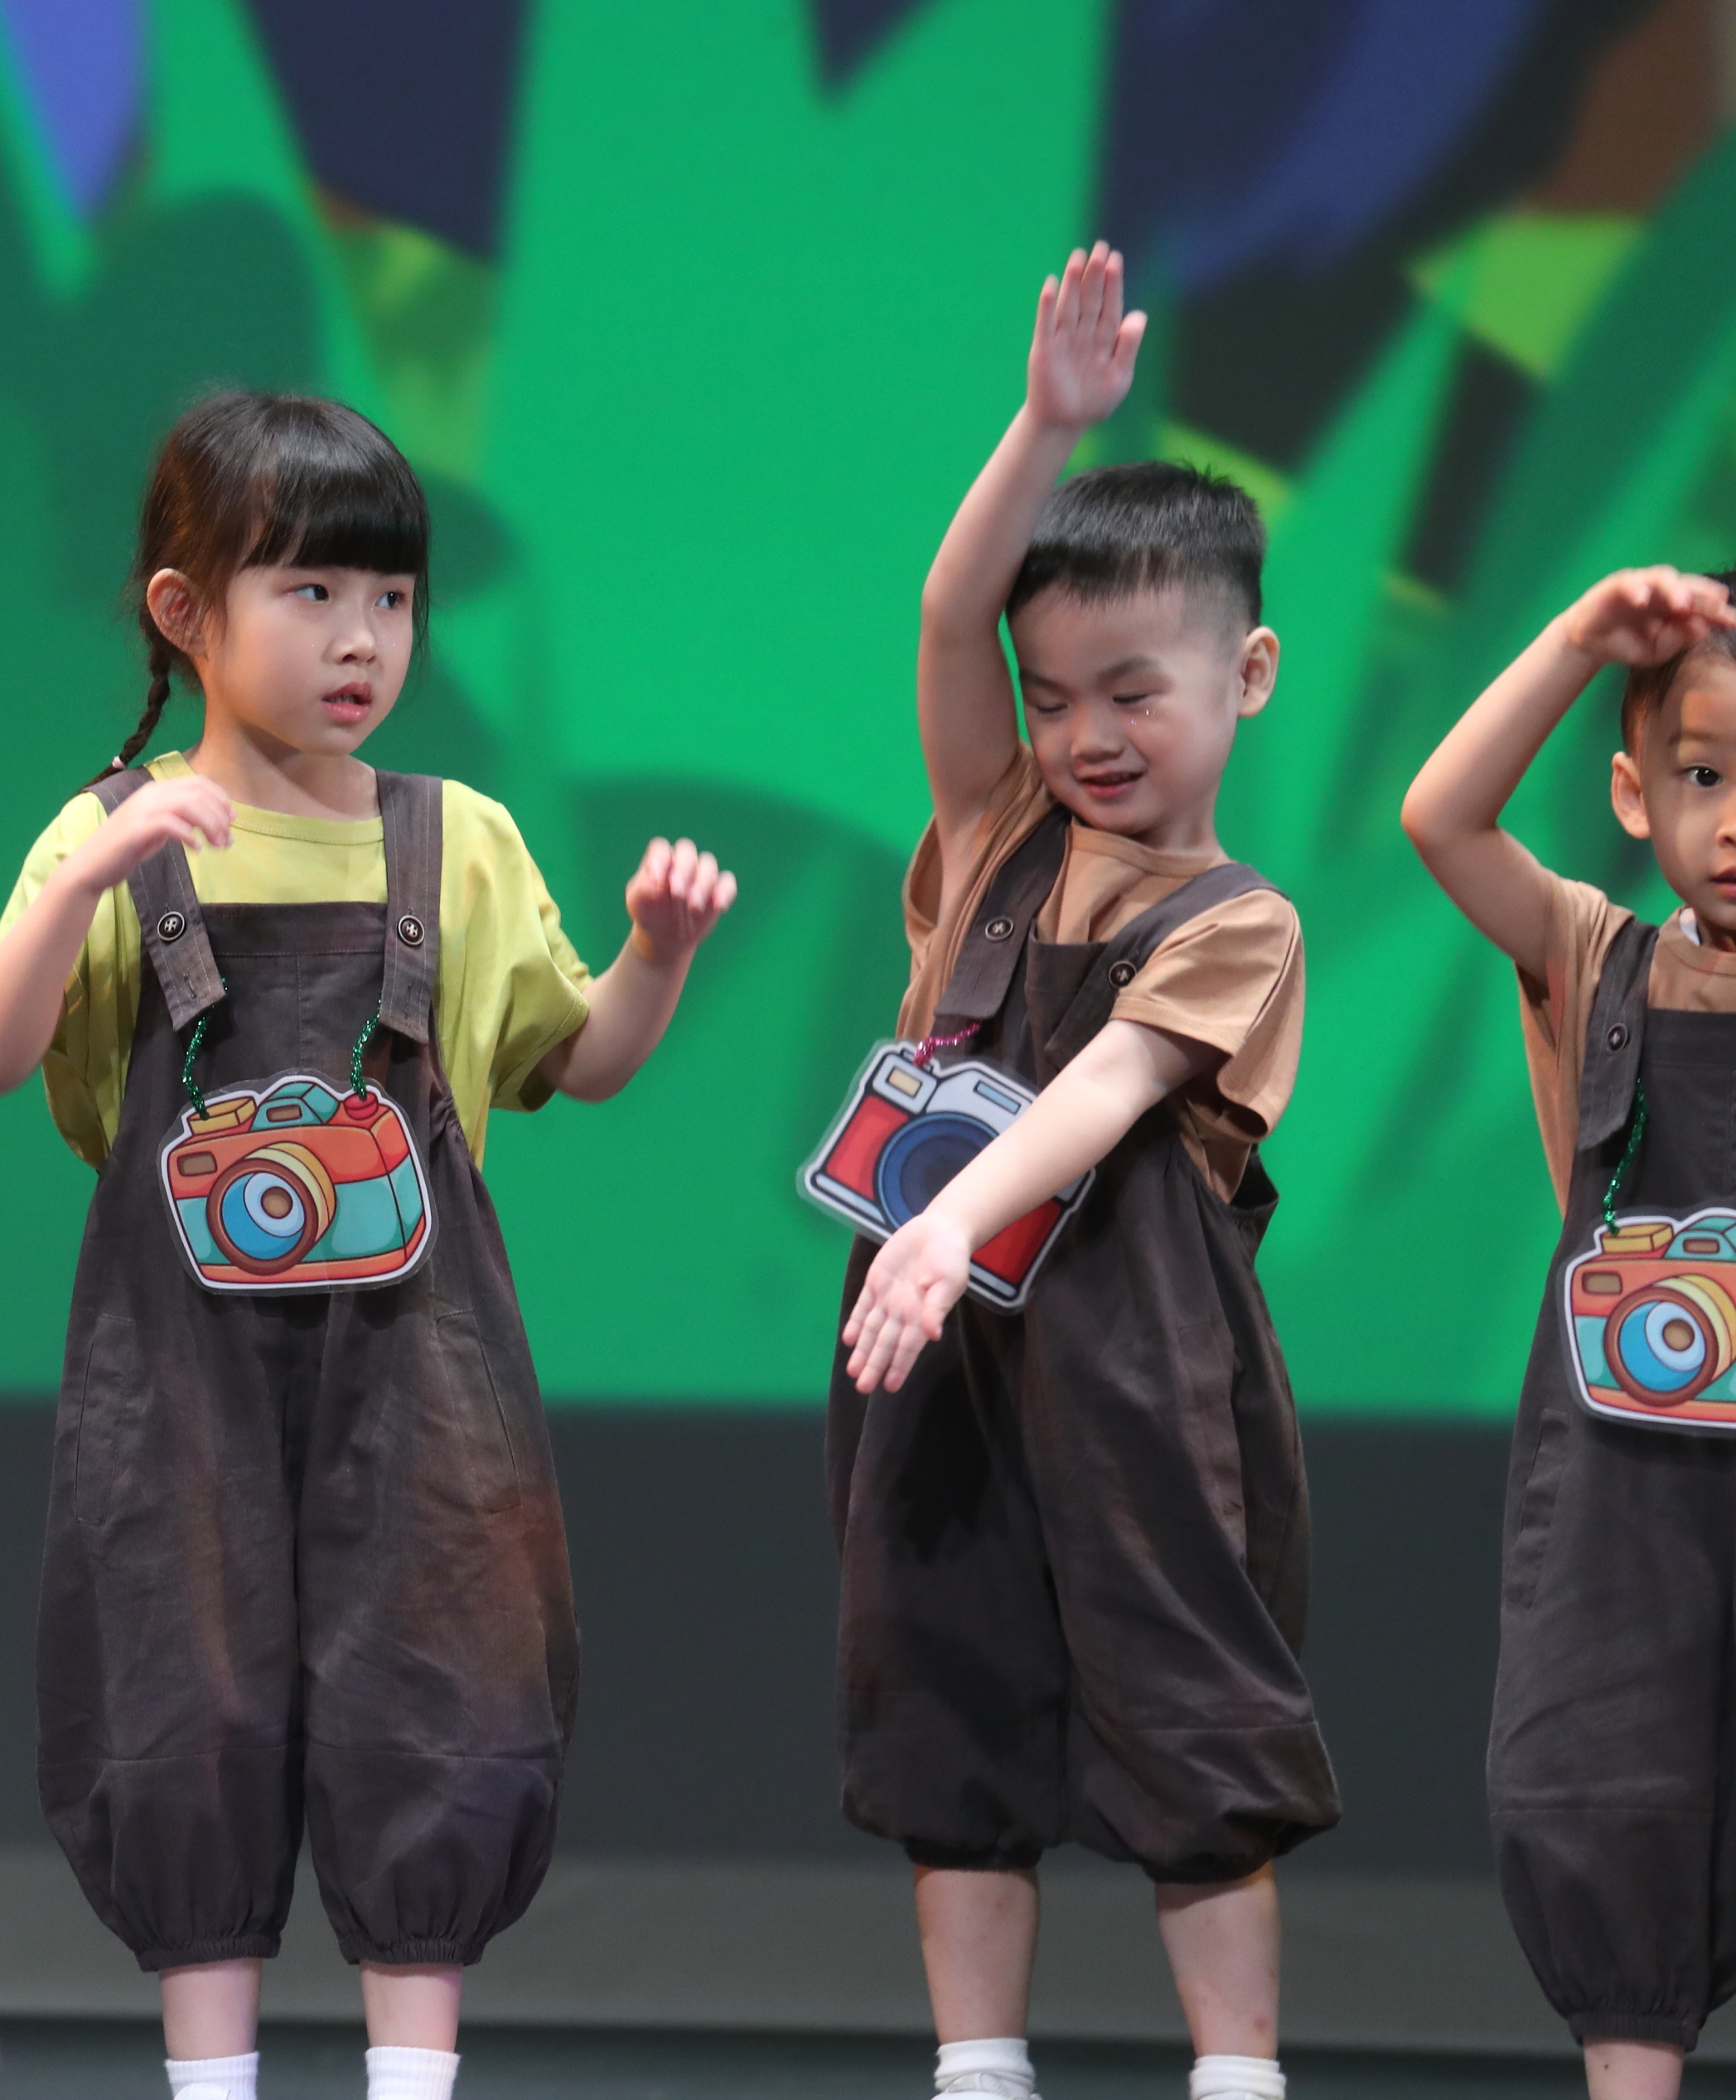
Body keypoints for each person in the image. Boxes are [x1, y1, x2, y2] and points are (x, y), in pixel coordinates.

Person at [0, 390, 735, 2100]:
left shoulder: (457, 837)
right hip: (179, 1379)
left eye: (390, 595)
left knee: (435, 1686)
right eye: (309, 591)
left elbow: (579, 1059)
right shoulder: (112, 833)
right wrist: (85, 878)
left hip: (420, 1377)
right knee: (185, 1693)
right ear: (186, 610)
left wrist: (659, 955)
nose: (361, 637)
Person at [827, 246, 1331, 2100]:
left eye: (1133, 691)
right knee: (944, 1699)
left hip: (1136, 1369)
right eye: (1053, 698)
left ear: (1246, 673)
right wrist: (1046, 428)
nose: (1085, 738)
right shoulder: (993, 831)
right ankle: (980, 2068)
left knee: (1192, 1713)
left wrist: (951, 1218)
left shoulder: (1238, 920)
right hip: (936, 1340)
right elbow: (948, 612)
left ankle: (1234, 2073)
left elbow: (1109, 1086)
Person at [1402, 562, 1736, 2100]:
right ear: (1631, 790)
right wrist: (1576, 640)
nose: (1733, 820)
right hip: (1631, 1522)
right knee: (1617, 1816)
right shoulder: (1599, 963)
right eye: (1704, 774)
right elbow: (1442, 818)